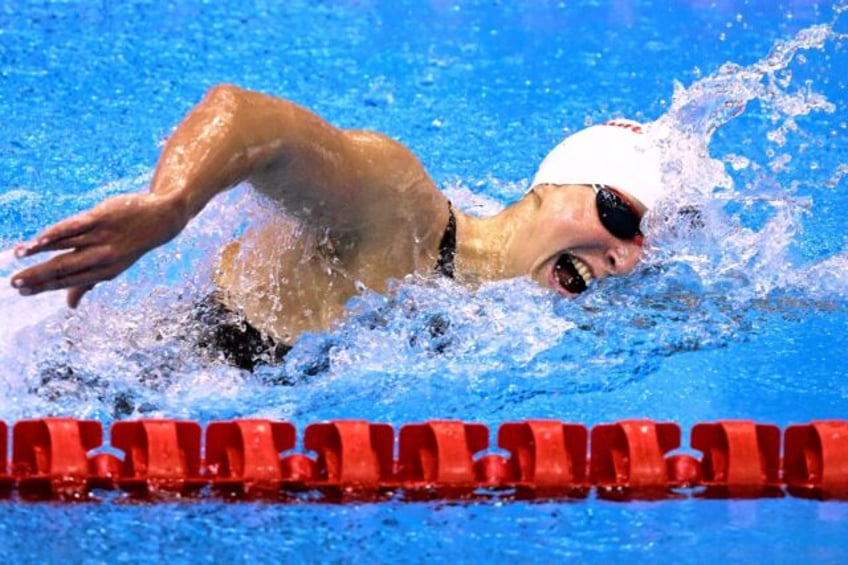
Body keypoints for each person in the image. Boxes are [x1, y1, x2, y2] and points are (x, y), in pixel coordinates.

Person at [10, 84, 666, 369]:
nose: (624, 257)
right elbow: (246, 119)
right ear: (549, 186)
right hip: (116, 380)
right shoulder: (402, 207)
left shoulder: (495, 318)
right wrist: (171, 204)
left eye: (645, 247)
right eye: (618, 214)